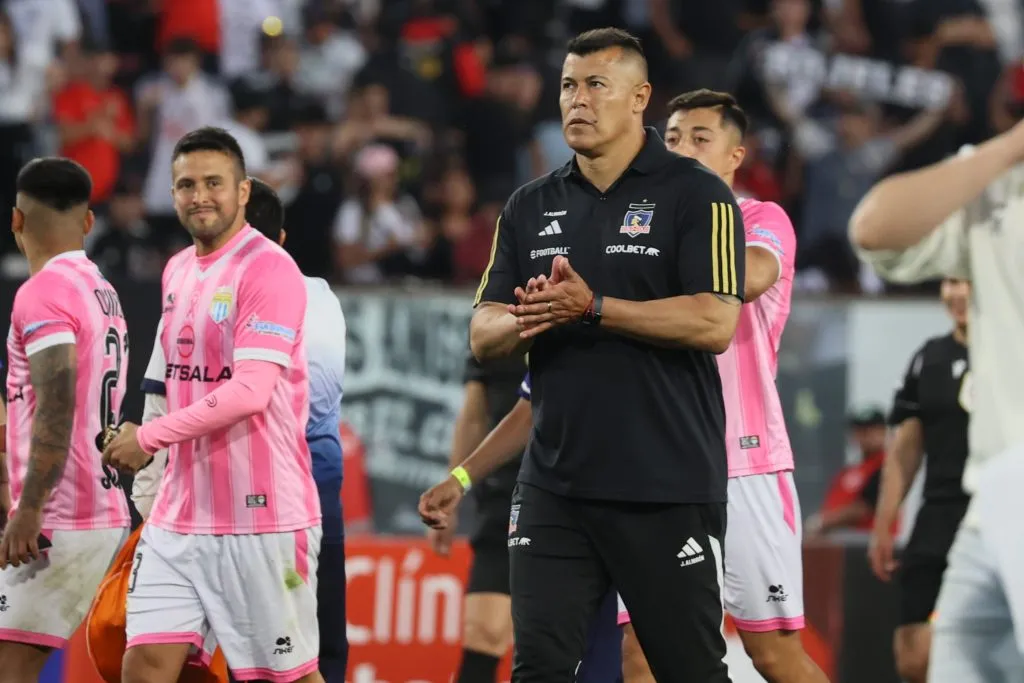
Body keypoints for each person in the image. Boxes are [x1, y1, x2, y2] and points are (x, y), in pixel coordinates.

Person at [438, 27, 746, 682]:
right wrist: (532, 313)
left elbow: (715, 319)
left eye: (596, 85)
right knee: (540, 669)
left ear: (639, 97)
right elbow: (483, 332)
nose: (577, 100)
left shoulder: (700, 195)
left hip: (665, 485)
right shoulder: (529, 205)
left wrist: (593, 308)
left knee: (690, 670)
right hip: (554, 487)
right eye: (568, 86)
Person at [101, 127, 323, 683]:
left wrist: (146, 439)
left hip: (261, 519)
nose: (199, 196)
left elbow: (250, 391)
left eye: (213, 183)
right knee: (145, 666)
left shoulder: (270, 268)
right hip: (178, 519)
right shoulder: (177, 268)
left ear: (243, 190)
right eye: (186, 185)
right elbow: (173, 383)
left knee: (289, 678)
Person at [849, 93, 1024, 683]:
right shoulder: (1001, 182)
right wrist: (1008, 148)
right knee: (941, 663)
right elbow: (874, 228)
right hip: (988, 501)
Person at [0, 157, 131, 681]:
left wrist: (30, 508)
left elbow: (57, 405)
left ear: (16, 220)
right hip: (92, 504)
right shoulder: (102, 291)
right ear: (88, 221)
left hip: (61, 514)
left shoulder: (42, 293)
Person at [421, 373, 624, 683]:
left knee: (627, 655)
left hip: (620, 504)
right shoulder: (503, 345)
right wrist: (458, 481)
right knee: (494, 635)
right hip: (515, 502)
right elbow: (504, 413)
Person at [868, 278, 971, 683]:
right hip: (938, 516)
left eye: (967, 282)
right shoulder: (928, 358)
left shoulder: (1012, 350)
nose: (956, 293)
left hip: (1000, 514)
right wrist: (884, 522)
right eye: (949, 282)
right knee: (913, 655)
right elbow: (906, 447)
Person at [435, 352, 526, 682]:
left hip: (575, 498)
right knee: (483, 633)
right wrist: (453, 489)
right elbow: (474, 417)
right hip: (504, 500)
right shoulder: (491, 330)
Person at [806, 409, 889, 537]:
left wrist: (822, 522)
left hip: (869, 539)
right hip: (839, 539)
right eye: (859, 430)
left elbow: (865, 507)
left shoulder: (887, 466)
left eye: (870, 429)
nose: (864, 435)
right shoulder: (851, 469)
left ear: (883, 431)